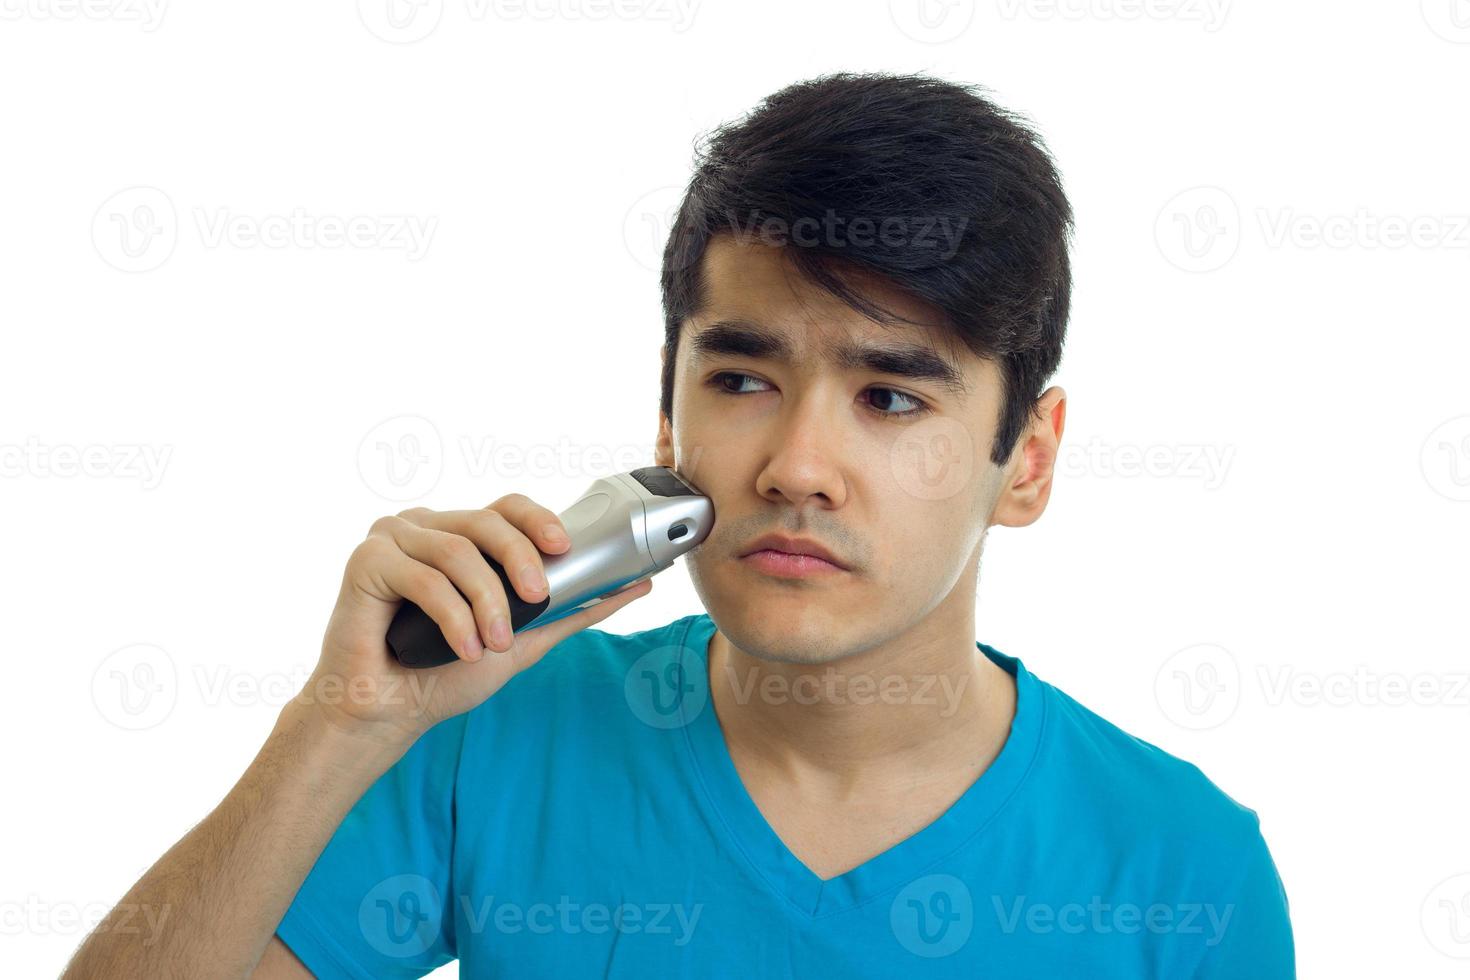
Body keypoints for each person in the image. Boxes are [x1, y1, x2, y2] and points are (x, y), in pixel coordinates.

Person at [63, 71, 1294, 978]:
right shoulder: (490, 726)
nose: (799, 466)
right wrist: (340, 725)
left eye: (890, 397)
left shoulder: (1182, 871)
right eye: (743, 379)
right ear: (667, 416)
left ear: (1027, 457)